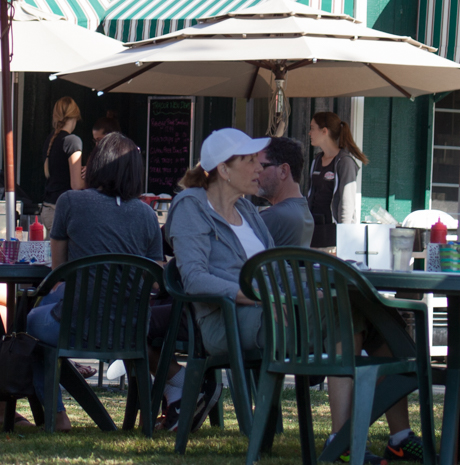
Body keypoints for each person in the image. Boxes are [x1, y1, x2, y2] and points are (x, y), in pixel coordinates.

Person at [26, 133, 165, 431]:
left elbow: (59, 269)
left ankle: (57, 416)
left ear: (95, 163)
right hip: (130, 329)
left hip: (76, 326)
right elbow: (155, 282)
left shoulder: (70, 202)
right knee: (50, 305)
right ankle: (141, 418)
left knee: (32, 324)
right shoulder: (146, 214)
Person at [162, 128, 276, 431]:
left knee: (361, 320)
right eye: (250, 160)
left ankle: (393, 436)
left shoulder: (248, 209)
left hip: (272, 311)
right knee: (342, 324)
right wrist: (254, 296)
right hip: (225, 321)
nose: (259, 167)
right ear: (224, 170)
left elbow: (277, 267)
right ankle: (343, 442)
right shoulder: (191, 205)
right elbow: (195, 279)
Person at [306, 111, 366, 248]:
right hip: (314, 232)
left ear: (324, 131)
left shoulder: (344, 162)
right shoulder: (316, 161)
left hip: (334, 236)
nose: (309, 133)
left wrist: (343, 239)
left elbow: (347, 203)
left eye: (312, 128)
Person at [255, 136, 314, 247]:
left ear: (283, 171)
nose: (255, 172)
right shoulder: (303, 210)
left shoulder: (275, 216)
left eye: (261, 166)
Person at [41, 96, 85, 225]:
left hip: (48, 208)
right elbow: (76, 185)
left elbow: (60, 171)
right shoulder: (72, 141)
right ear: (76, 116)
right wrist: (93, 179)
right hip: (63, 211)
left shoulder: (50, 140)